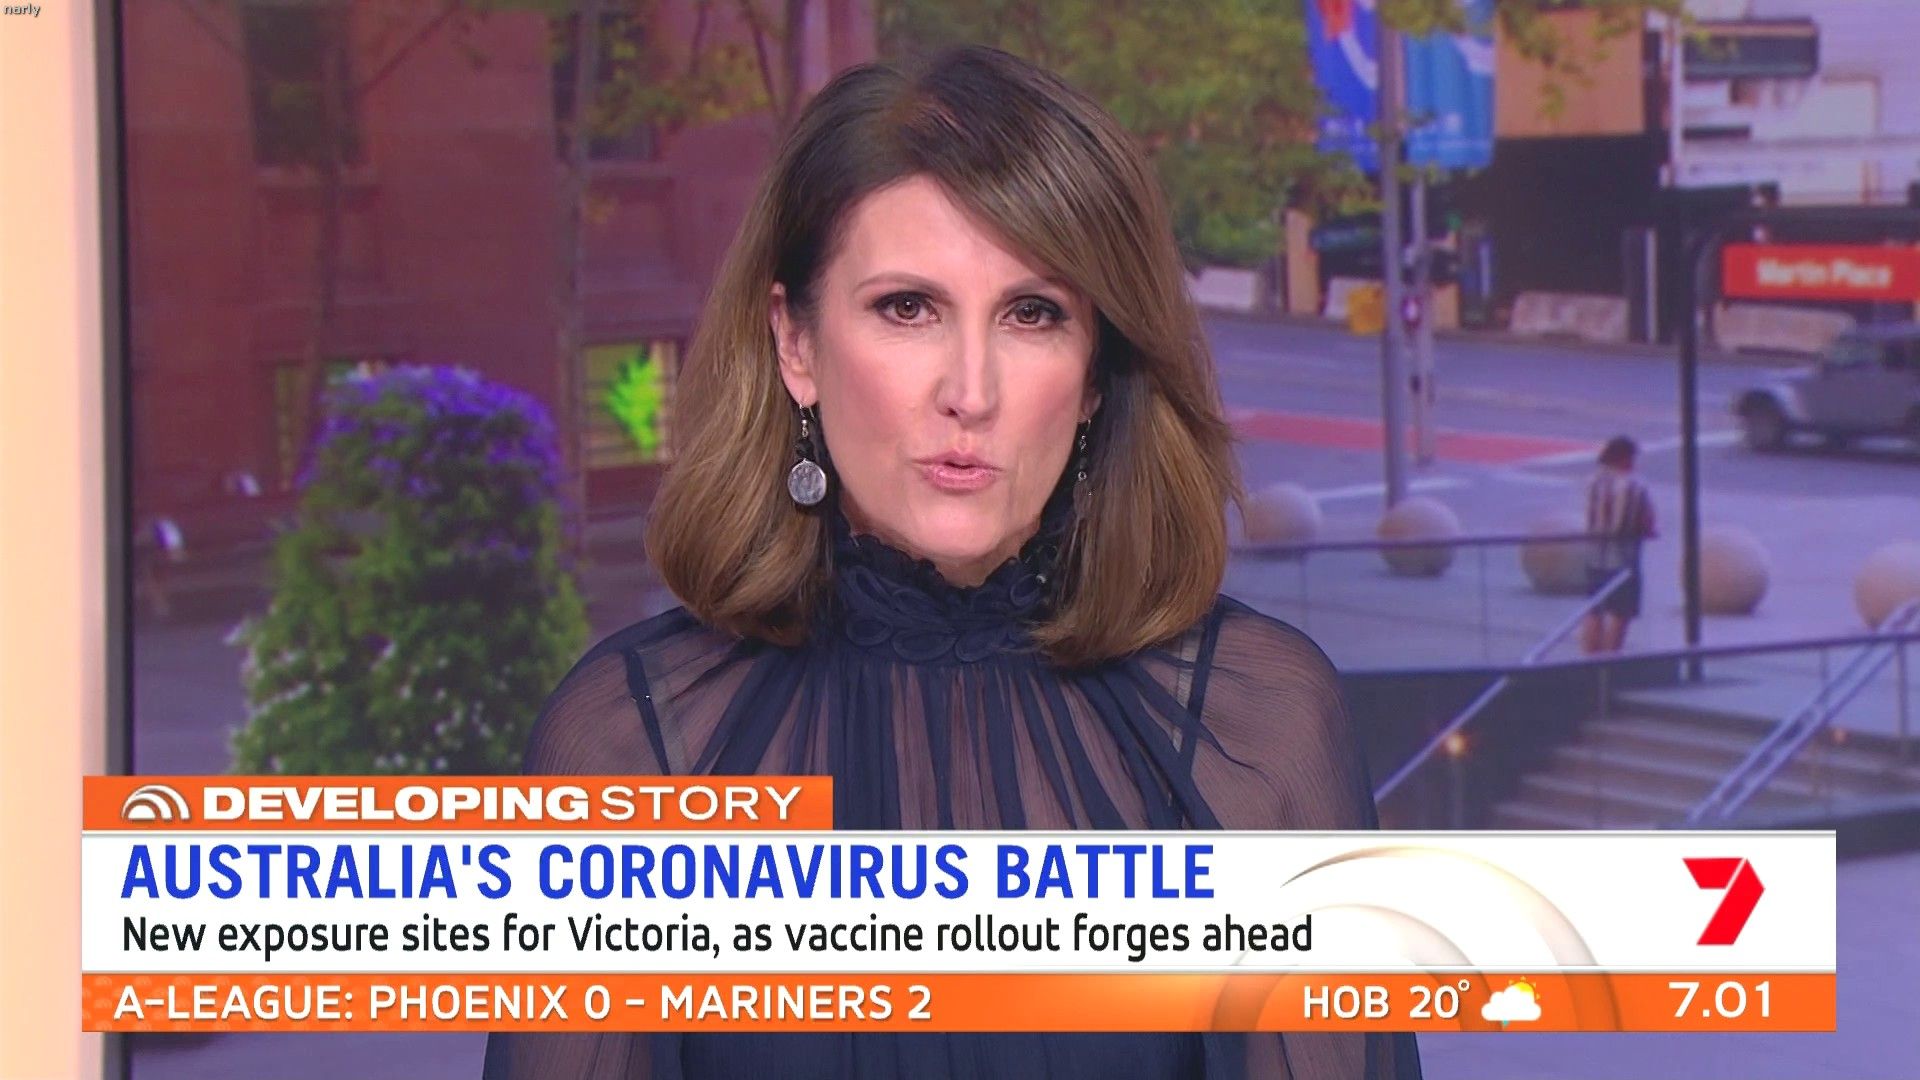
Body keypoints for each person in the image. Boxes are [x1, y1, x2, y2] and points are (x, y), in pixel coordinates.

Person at [481, 45, 1421, 1080]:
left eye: (1032, 314)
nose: (970, 391)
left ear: (1096, 372)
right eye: (907, 308)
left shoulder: (1257, 729)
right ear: (796, 344)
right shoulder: (633, 745)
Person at [1580, 435, 1656, 655]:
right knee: (1620, 613)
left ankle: (1589, 659)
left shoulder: (1592, 482)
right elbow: (1647, 522)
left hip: (1594, 556)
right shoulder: (1634, 487)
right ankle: (1610, 660)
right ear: (1624, 458)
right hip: (1624, 559)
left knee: (1594, 610)